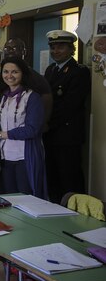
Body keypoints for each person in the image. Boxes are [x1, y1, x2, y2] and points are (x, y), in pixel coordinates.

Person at [0, 57, 48, 199]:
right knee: (9, 199)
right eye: (6, 72)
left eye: (15, 72)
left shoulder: (33, 97)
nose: (9, 76)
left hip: (24, 157)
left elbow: (32, 129)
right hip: (6, 157)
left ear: (23, 74)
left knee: (26, 199)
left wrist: (1, 134)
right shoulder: (4, 96)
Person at [43, 30, 90, 202]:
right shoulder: (50, 70)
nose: (56, 51)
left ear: (72, 49)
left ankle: (76, 214)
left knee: (69, 178)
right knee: (52, 178)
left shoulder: (79, 72)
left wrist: (46, 122)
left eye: (61, 47)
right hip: (50, 135)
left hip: (67, 136)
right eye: (53, 47)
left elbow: (70, 105)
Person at [2, 37, 53, 129]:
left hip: (27, 130)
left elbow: (46, 102)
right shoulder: (1, 77)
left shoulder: (35, 78)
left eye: (14, 48)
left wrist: (41, 125)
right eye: (7, 48)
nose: (10, 51)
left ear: (24, 52)